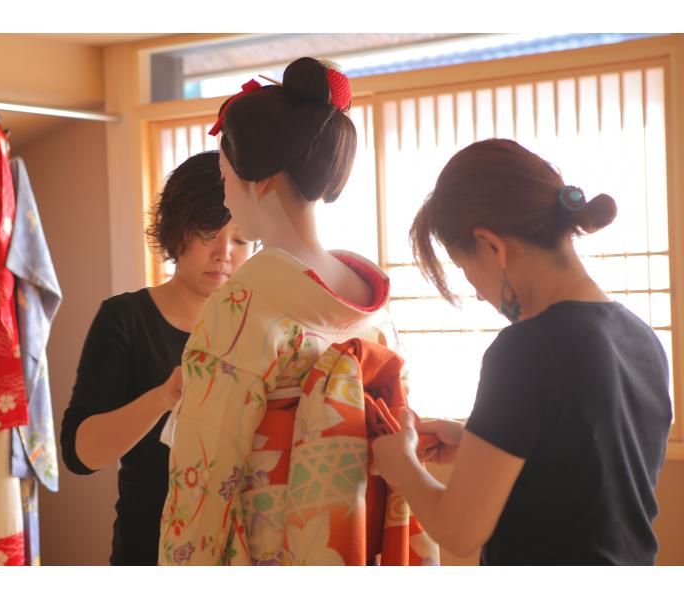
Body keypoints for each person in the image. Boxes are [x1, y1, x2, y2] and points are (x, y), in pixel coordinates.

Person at [157, 57, 433, 565]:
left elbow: (205, 471)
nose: (225, 194)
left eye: (224, 178)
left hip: (274, 546)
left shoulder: (243, 305)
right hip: (353, 539)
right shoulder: (371, 308)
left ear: (260, 182)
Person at [371, 138, 672, 565]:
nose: (475, 292)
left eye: (464, 268)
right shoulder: (641, 336)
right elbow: (592, 476)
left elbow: (458, 532)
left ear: (491, 245)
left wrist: (401, 466)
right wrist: (479, 438)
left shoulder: (526, 348)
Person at [60, 151, 252, 565]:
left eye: (240, 239)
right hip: (147, 547)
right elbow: (80, 454)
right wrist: (164, 397)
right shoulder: (125, 319)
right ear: (176, 230)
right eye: (208, 233)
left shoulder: (261, 325)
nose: (224, 253)